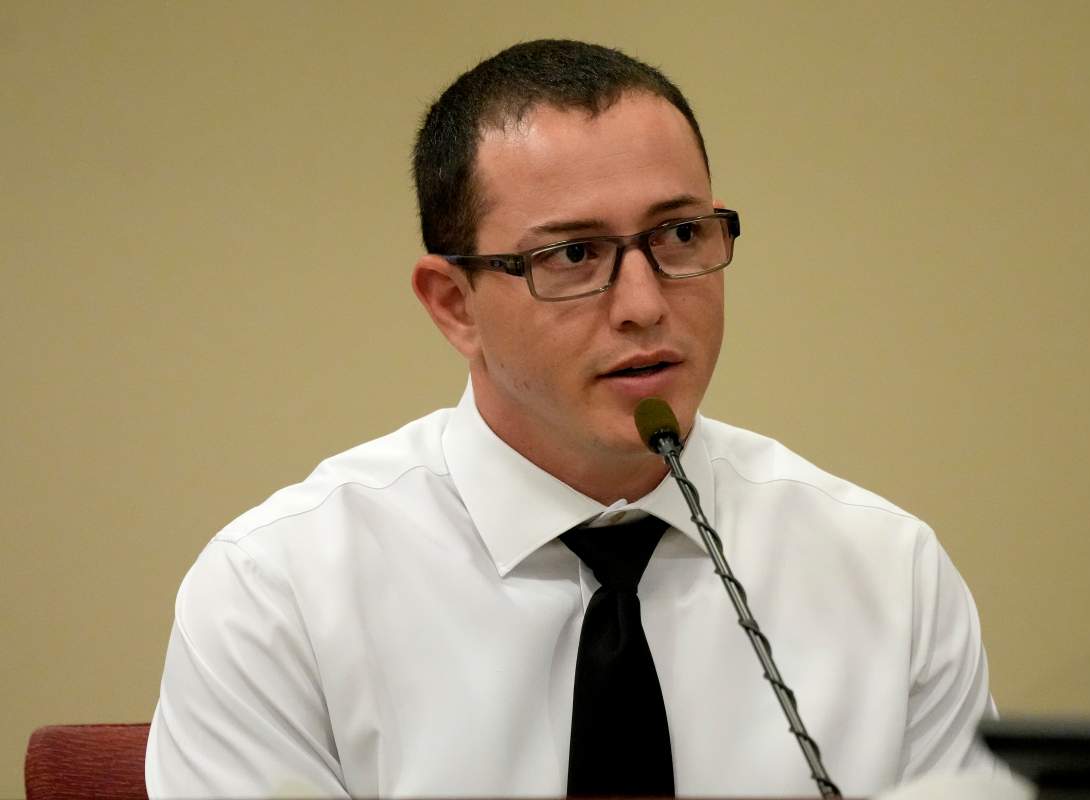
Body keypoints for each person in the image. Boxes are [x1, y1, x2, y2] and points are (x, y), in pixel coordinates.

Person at [146, 39, 998, 798]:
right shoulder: (277, 592)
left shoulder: (888, 575)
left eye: (680, 235)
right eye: (574, 255)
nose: (643, 304)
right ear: (455, 306)